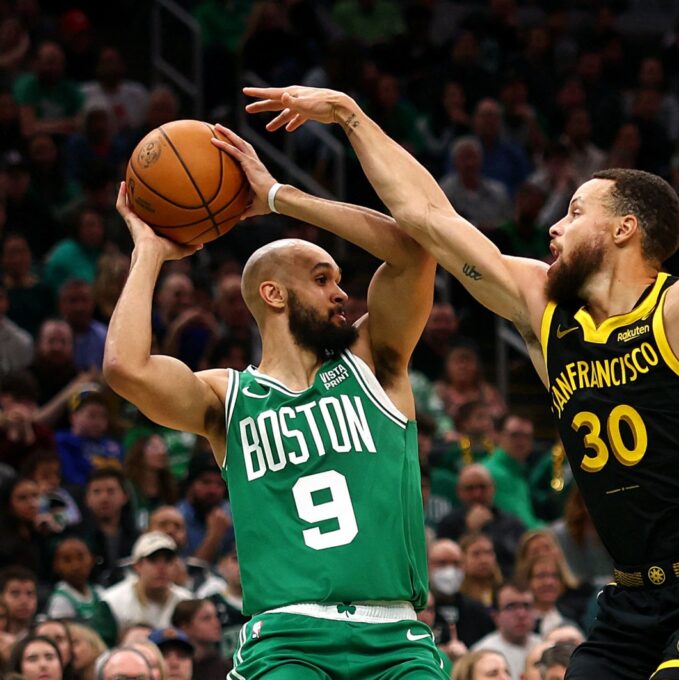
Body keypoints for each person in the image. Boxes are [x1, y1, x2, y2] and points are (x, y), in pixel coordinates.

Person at [245, 45, 679, 678]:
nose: (554, 226)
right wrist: (351, 117)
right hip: (633, 598)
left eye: (575, 212)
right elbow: (427, 217)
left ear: (624, 229)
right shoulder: (544, 310)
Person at [104, 124, 446, 679]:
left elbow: (412, 252)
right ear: (273, 293)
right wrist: (149, 251)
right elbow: (125, 367)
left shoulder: (375, 360)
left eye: (338, 279)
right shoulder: (226, 396)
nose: (341, 293)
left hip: (396, 637)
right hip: (286, 639)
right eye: (321, 278)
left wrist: (278, 197)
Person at [101, 531, 193, 632]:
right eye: (153, 560)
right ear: (137, 566)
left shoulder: (187, 602)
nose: (161, 568)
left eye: (168, 560)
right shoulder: (112, 602)